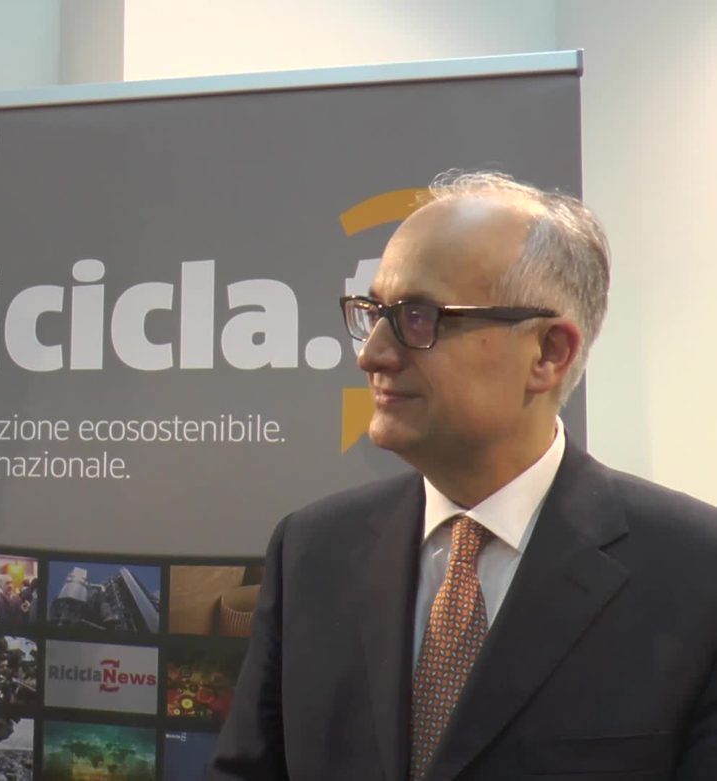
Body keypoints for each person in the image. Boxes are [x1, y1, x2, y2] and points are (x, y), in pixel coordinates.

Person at [209, 171, 717, 779]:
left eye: (419, 317)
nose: (372, 353)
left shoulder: (695, 572)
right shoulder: (312, 551)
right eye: (373, 313)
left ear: (549, 353)